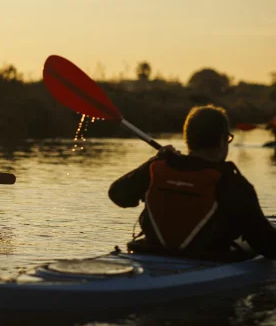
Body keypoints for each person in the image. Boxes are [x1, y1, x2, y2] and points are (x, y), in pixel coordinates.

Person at [108, 105, 276, 260]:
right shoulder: (232, 183)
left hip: (151, 255)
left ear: (188, 139)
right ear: (222, 141)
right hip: (208, 260)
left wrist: (152, 162)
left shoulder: (155, 169)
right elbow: (268, 245)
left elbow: (117, 195)